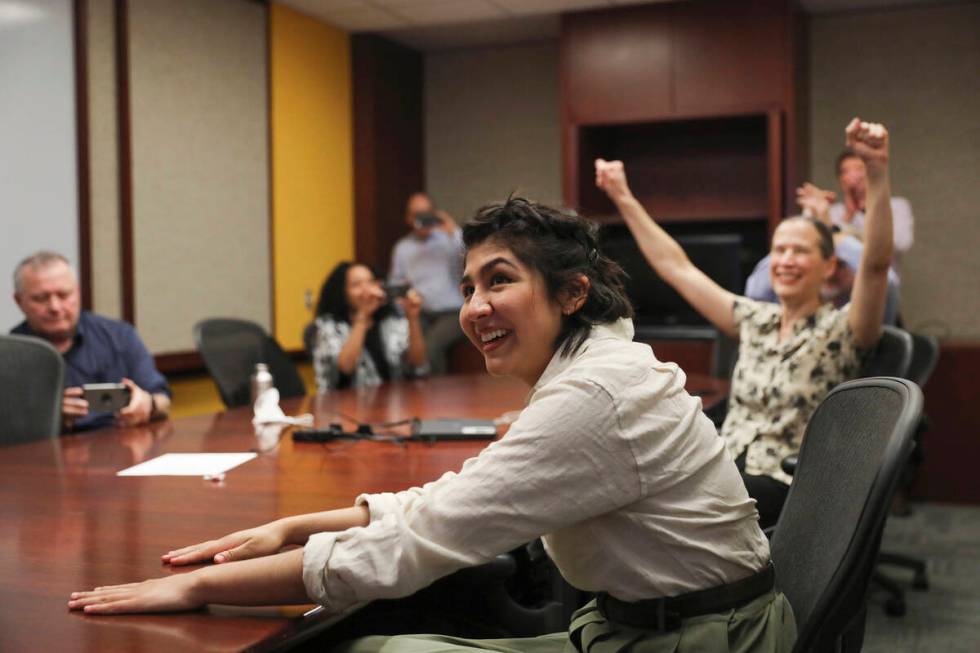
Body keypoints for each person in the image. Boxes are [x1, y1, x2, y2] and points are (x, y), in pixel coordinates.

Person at [69, 198, 795, 653]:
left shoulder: (594, 396)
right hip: (661, 624)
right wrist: (300, 524)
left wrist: (198, 590)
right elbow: (464, 492)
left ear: (573, 293)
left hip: (700, 640)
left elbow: (419, 542)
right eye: (469, 286)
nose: (475, 306)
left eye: (499, 280)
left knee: (371, 648)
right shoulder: (595, 367)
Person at [595, 118, 894, 530]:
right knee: (621, 483)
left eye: (799, 251)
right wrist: (621, 195)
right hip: (724, 462)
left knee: (655, 509)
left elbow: (876, 267)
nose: (785, 260)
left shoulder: (843, 329)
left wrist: (875, 172)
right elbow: (676, 267)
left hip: (786, 483)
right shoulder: (757, 318)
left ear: (828, 266)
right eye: (779, 250)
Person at [744, 146, 913, 322]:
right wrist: (809, 219)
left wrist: (832, 230)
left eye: (859, 169)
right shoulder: (834, 212)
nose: (855, 176)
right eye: (847, 171)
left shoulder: (895, 207)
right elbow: (756, 290)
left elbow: (894, 253)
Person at [10, 251, 170, 431]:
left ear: (78, 292)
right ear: (19, 301)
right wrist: (48, 419)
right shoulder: (8, 355)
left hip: (120, 445)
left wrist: (149, 404)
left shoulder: (119, 336)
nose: (55, 307)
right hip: (43, 452)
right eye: (41, 298)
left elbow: (163, 399)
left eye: (64, 295)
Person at [309, 261, 427, 391]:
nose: (366, 290)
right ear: (342, 292)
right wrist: (362, 316)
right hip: (343, 404)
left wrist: (413, 318)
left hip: (393, 402)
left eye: (370, 282)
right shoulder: (327, 326)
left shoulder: (390, 319)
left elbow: (417, 362)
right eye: (356, 285)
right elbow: (346, 367)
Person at [389, 192, 467, 375]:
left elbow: (472, 257)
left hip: (453, 312)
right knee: (402, 345)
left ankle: (436, 400)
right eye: (416, 214)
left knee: (431, 346)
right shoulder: (402, 248)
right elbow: (396, 283)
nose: (422, 219)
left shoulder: (451, 239)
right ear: (408, 218)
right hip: (420, 313)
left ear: (434, 213)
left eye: (426, 213)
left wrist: (453, 230)